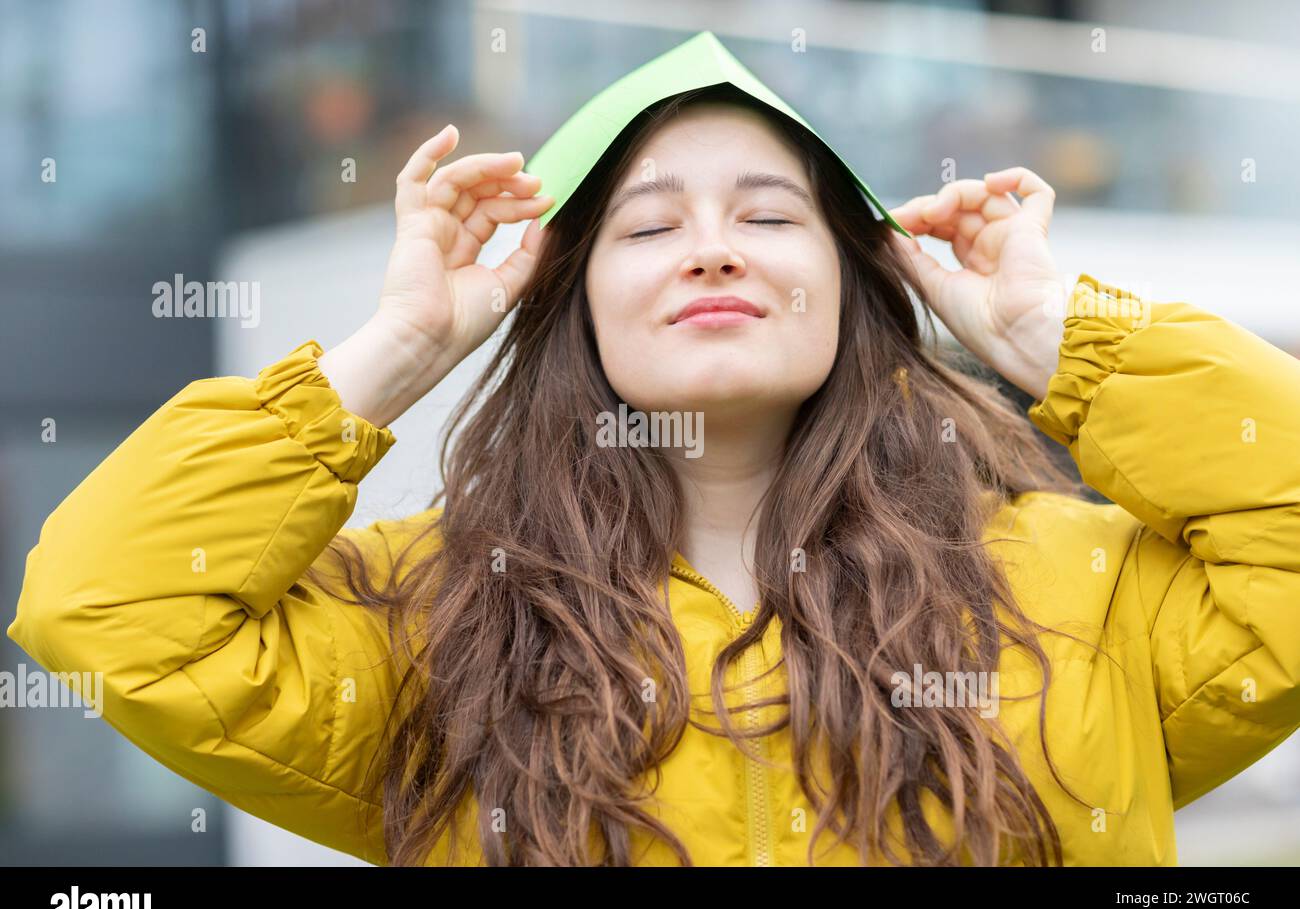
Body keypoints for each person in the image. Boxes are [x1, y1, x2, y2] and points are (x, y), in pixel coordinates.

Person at [9, 82, 1300, 867]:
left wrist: (1051, 336)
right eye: (649, 225)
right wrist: (398, 348)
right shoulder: (430, 619)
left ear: (861, 291)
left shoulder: (1077, 588)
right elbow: (105, 613)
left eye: (768, 215)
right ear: (573, 305)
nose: (712, 252)